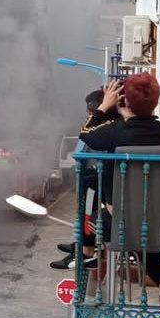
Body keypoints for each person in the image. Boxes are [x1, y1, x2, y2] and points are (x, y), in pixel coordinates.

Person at [78, 73, 160, 304]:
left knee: (92, 217)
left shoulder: (117, 132)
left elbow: (86, 134)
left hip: (121, 222)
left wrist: (104, 105)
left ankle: (85, 258)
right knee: (141, 237)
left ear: (125, 102)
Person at [50, 88, 120, 270]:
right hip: (117, 186)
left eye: (91, 110)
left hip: (117, 195)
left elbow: (85, 132)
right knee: (90, 183)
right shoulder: (119, 126)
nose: (89, 114)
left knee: (90, 187)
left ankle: (86, 249)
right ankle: (84, 242)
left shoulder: (113, 128)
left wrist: (101, 110)